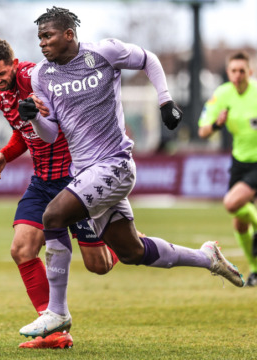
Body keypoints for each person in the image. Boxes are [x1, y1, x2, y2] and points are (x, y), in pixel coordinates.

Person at [16, 6, 245, 339]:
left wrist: (165, 101)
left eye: (47, 36)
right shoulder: (41, 75)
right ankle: (206, 257)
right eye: (39, 38)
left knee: (53, 217)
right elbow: (51, 133)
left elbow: (149, 59)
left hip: (114, 164)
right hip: (84, 172)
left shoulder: (103, 52)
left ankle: (57, 312)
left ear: (69, 34)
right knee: (131, 251)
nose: (42, 43)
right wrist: (34, 118)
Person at [0, 36, 120, 349]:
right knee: (22, 249)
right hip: (42, 180)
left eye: (2, 74)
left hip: (74, 178)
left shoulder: (39, 78)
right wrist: (5, 154)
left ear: (14, 64)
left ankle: (124, 240)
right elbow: (22, 132)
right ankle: (55, 329)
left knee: (99, 265)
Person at [198, 51, 257, 286]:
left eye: (242, 70)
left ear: (249, 72)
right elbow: (203, 131)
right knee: (239, 222)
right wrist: (216, 124)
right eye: (233, 70)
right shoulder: (221, 95)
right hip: (240, 163)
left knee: (232, 203)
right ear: (228, 72)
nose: (237, 75)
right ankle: (255, 269)